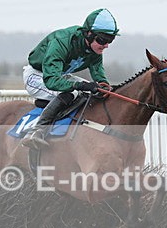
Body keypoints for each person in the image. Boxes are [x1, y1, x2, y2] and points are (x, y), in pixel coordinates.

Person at [21, 8, 119, 148]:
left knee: (95, 91)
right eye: (103, 40)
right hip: (37, 76)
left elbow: (98, 72)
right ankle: (36, 131)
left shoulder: (95, 49)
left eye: (110, 40)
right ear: (89, 34)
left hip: (60, 75)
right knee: (73, 92)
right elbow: (51, 80)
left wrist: (103, 85)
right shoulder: (61, 42)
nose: (106, 45)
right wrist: (79, 86)